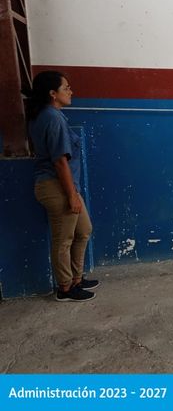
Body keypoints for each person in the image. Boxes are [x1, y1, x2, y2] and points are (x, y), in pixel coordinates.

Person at [25, 71, 99, 301]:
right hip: (56, 186)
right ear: (53, 93)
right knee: (63, 239)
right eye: (66, 88)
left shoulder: (49, 115)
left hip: (64, 185)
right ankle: (65, 288)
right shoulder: (52, 117)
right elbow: (59, 161)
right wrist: (71, 195)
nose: (71, 91)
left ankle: (76, 278)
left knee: (83, 230)